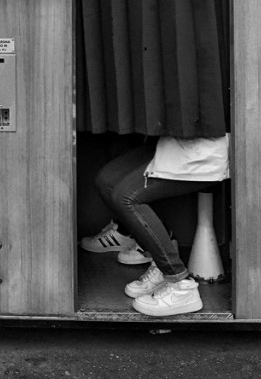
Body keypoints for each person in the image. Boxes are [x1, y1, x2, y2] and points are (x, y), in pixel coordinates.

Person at [94, 133, 229, 317]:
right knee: (107, 180)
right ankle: (159, 260)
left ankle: (180, 285)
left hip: (200, 149)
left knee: (126, 198)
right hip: (170, 143)